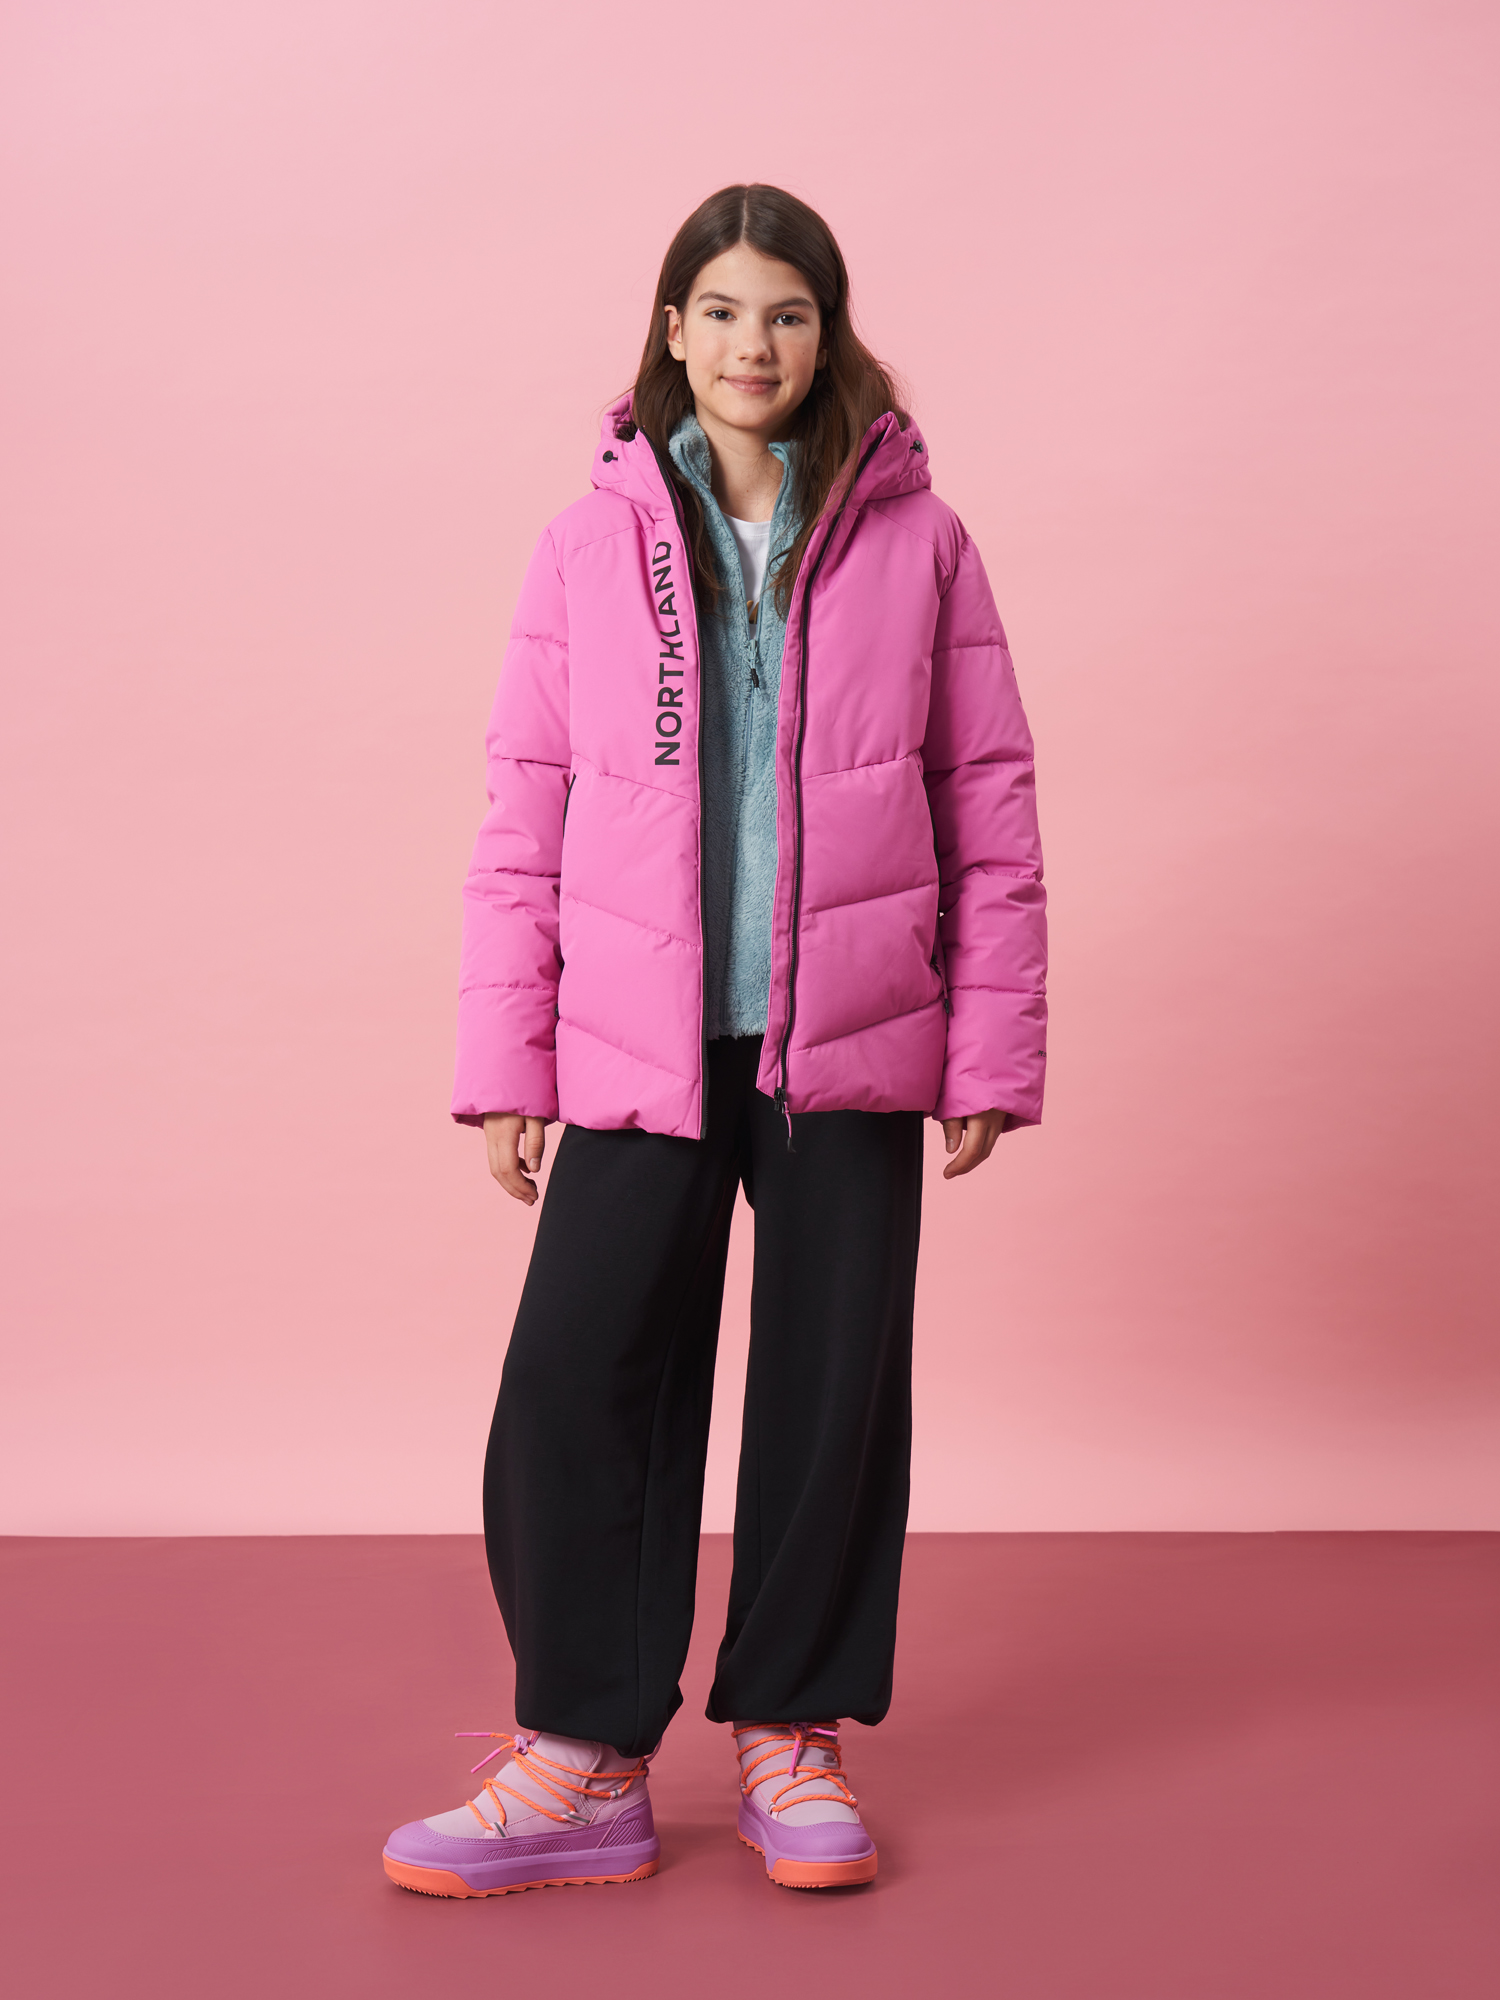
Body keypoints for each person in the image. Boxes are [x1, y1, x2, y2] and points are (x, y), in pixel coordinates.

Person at [382, 183, 1047, 1898]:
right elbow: (525, 811)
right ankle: (583, 1754)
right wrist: (507, 1062)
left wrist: (989, 1050)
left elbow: (986, 800)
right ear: (673, 328)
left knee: (833, 1394)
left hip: (851, 1035)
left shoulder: (919, 539)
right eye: (726, 310)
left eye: (789, 314)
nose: (756, 344)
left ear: (829, 335)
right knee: (577, 1376)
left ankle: (793, 1732)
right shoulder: (586, 545)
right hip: (639, 1038)